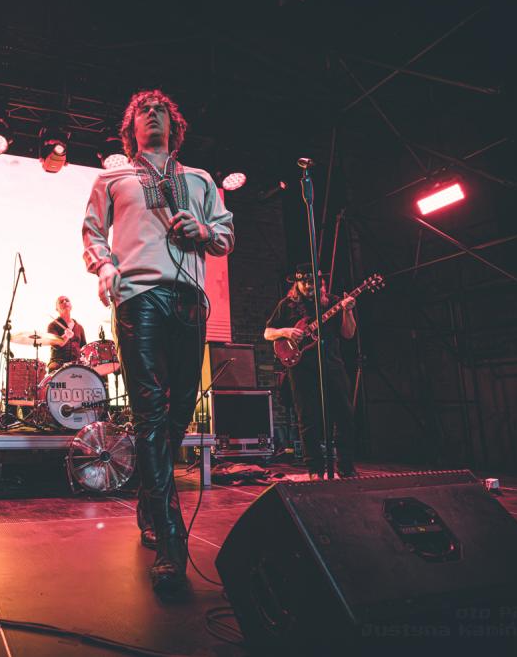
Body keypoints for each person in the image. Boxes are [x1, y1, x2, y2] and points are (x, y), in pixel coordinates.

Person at [82, 89, 234, 594]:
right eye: (143, 111)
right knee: (150, 413)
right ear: (131, 128)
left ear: (174, 125)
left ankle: (150, 503)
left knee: (178, 413)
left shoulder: (200, 180)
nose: (152, 114)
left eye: (161, 110)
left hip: (189, 298)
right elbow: (92, 232)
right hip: (139, 297)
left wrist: (203, 230)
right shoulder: (112, 178)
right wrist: (105, 266)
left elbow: (225, 236)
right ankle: (171, 540)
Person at [263, 263, 358, 480]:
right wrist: (286, 331)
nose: (308, 286)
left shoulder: (333, 302)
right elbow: (268, 333)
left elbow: (349, 333)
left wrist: (348, 311)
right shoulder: (287, 305)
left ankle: (346, 466)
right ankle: (315, 469)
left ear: (321, 282)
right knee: (308, 419)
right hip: (301, 368)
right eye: (303, 282)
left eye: (312, 281)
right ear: (296, 283)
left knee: (344, 415)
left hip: (331, 364)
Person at [46, 296, 86, 371]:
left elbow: (84, 348)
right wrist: (66, 336)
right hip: (58, 364)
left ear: (71, 306)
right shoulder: (52, 326)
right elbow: (57, 345)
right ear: (57, 309)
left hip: (76, 364)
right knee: (53, 366)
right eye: (61, 302)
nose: (64, 302)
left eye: (67, 300)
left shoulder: (79, 327)